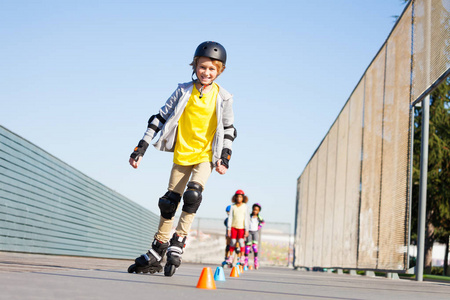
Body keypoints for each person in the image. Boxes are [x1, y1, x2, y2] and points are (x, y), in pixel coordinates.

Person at [127, 41, 237, 277]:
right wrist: (140, 148)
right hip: (182, 154)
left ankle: (179, 240)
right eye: (202, 67)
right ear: (195, 65)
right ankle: (158, 248)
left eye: (212, 69)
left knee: (193, 195)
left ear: (220, 71)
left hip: (206, 156)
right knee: (169, 202)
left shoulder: (224, 97)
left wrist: (225, 158)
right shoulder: (183, 90)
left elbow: (229, 128)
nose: (206, 72)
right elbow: (158, 118)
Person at [225, 190, 249, 266]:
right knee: (232, 242)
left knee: (241, 242)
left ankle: (242, 257)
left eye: (240, 197)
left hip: (241, 228)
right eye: (237, 197)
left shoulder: (245, 207)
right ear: (235, 197)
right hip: (233, 227)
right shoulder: (233, 207)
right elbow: (230, 218)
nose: (239, 198)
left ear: (243, 198)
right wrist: (229, 228)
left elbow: (247, 218)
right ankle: (230, 257)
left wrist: (246, 229)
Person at [244, 203, 265, 269]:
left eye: (257, 210)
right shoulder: (249, 216)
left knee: (255, 247)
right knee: (247, 247)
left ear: (259, 211)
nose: (255, 211)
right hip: (249, 232)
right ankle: (246, 261)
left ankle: (256, 261)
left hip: (255, 232)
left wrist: (259, 227)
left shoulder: (259, 218)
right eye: (254, 209)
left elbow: (263, 222)